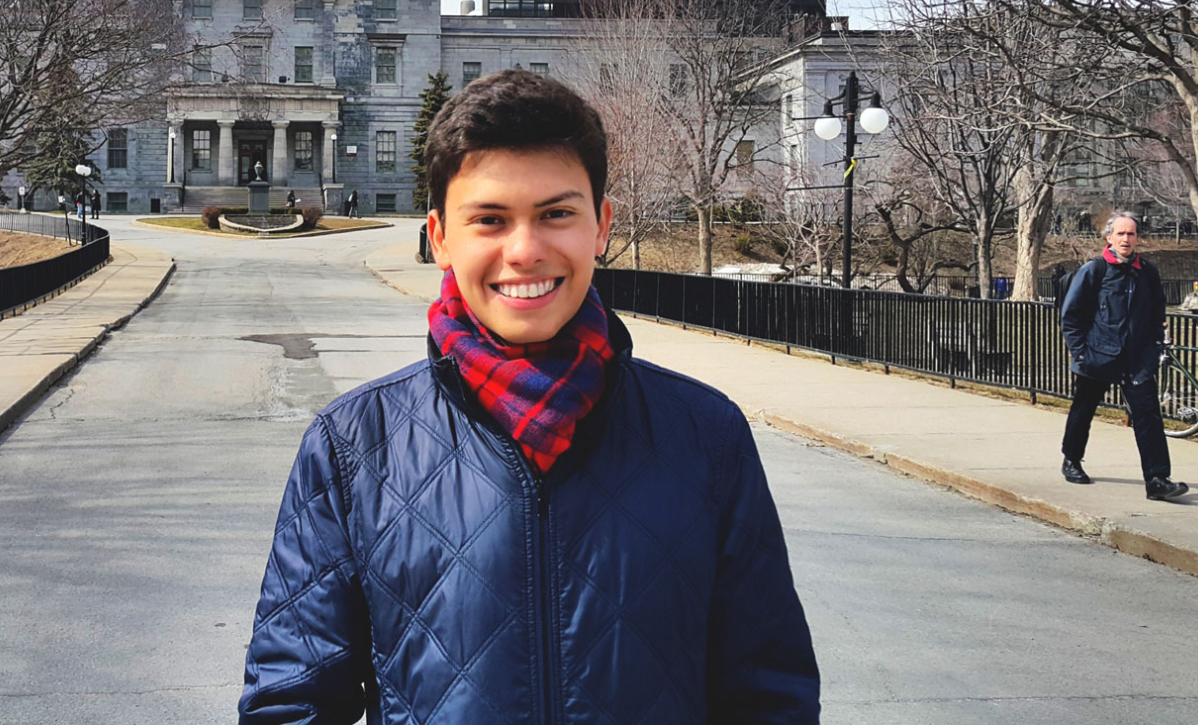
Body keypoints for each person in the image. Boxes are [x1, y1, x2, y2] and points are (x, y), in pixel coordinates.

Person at [239, 70, 819, 724]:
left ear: (600, 225)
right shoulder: (354, 444)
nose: (525, 250)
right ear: (440, 236)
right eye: (490, 218)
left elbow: (769, 693)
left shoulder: (706, 434)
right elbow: (292, 700)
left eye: (556, 214)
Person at [1059, 211, 1187, 501]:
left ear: (1137, 238)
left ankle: (1157, 479)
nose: (1126, 239)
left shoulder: (1147, 272)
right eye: (1120, 234)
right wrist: (1080, 353)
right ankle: (1072, 459)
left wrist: (1153, 348)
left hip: (1137, 359)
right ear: (1109, 238)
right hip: (1098, 354)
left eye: (1131, 234)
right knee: (1083, 410)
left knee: (1149, 417)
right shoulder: (1095, 270)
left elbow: (1157, 314)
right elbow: (1071, 316)